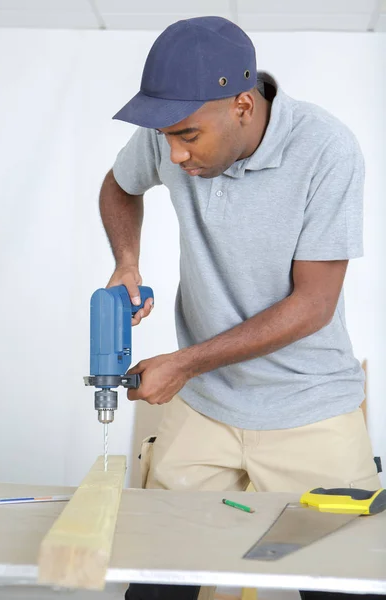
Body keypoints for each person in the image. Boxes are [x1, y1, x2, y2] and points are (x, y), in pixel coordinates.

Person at [99, 16, 381, 600]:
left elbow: (313, 305)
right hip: (207, 405)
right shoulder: (168, 131)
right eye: (167, 137)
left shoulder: (327, 149)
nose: (173, 154)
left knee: (343, 582)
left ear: (243, 107)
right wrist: (128, 261)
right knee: (157, 580)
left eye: (188, 136)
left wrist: (184, 363)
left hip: (310, 407)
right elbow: (119, 186)